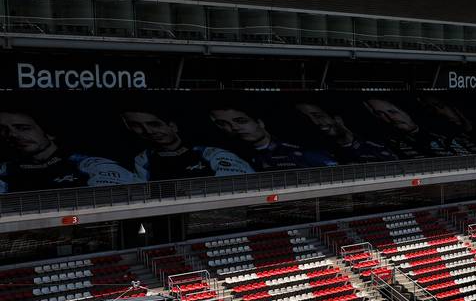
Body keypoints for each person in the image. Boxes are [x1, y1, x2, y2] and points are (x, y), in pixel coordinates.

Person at [0, 110, 141, 193]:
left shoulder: (90, 165)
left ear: (48, 132)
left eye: (23, 128)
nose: (12, 135)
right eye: (3, 130)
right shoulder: (5, 170)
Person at [120, 109, 254, 180]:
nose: (148, 131)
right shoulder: (143, 159)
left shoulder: (210, 153)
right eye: (137, 126)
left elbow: (237, 185)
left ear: (172, 126)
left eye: (154, 124)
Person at [209, 106, 336, 172]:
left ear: (260, 122)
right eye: (223, 124)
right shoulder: (220, 156)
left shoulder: (303, 152)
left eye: (241, 121)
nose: (234, 127)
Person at [294, 102, 396, 164]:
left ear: (337, 119)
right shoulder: (314, 154)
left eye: (318, 116)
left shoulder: (376, 146)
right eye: (308, 119)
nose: (316, 122)